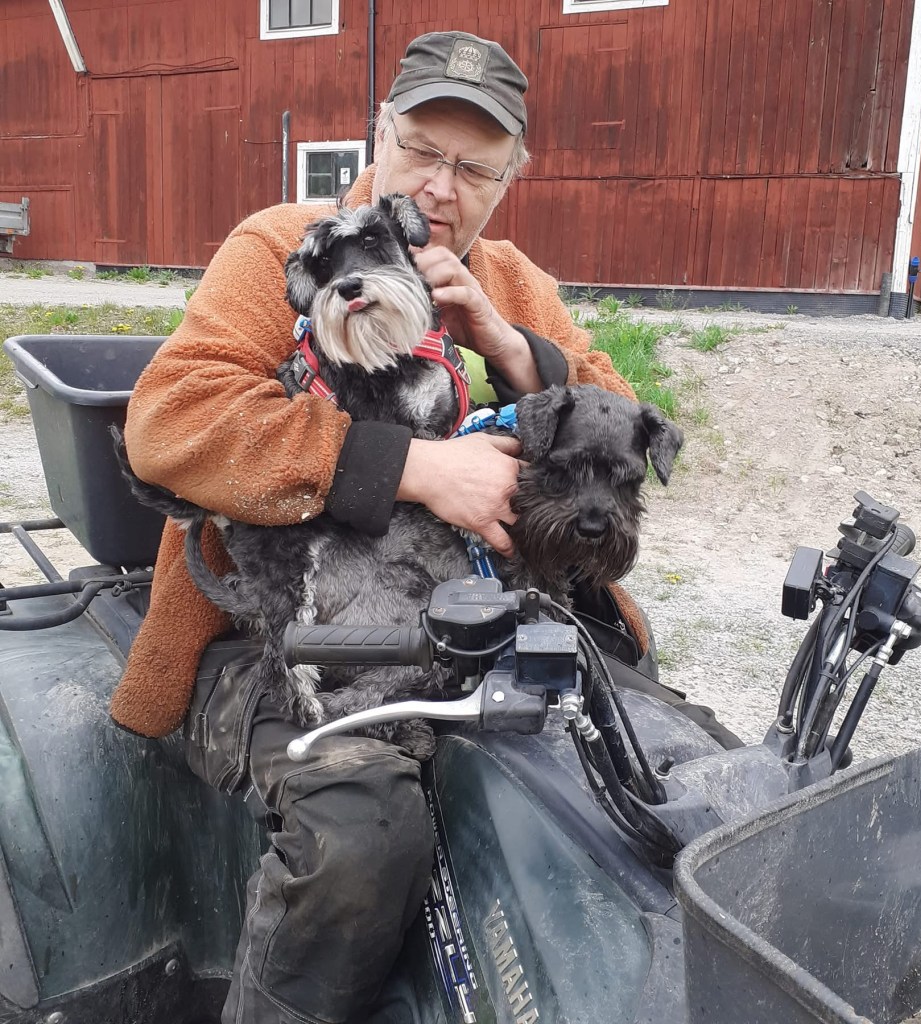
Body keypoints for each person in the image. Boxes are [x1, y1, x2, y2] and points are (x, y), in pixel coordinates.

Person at [110, 30, 739, 1024]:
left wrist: (508, 343)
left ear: (510, 178)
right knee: (360, 833)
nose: (442, 187)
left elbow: (621, 410)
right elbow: (168, 422)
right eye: (422, 151)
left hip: (470, 627)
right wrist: (414, 468)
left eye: (475, 168)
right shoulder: (283, 247)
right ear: (380, 132)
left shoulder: (510, 280)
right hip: (277, 638)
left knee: (668, 770)